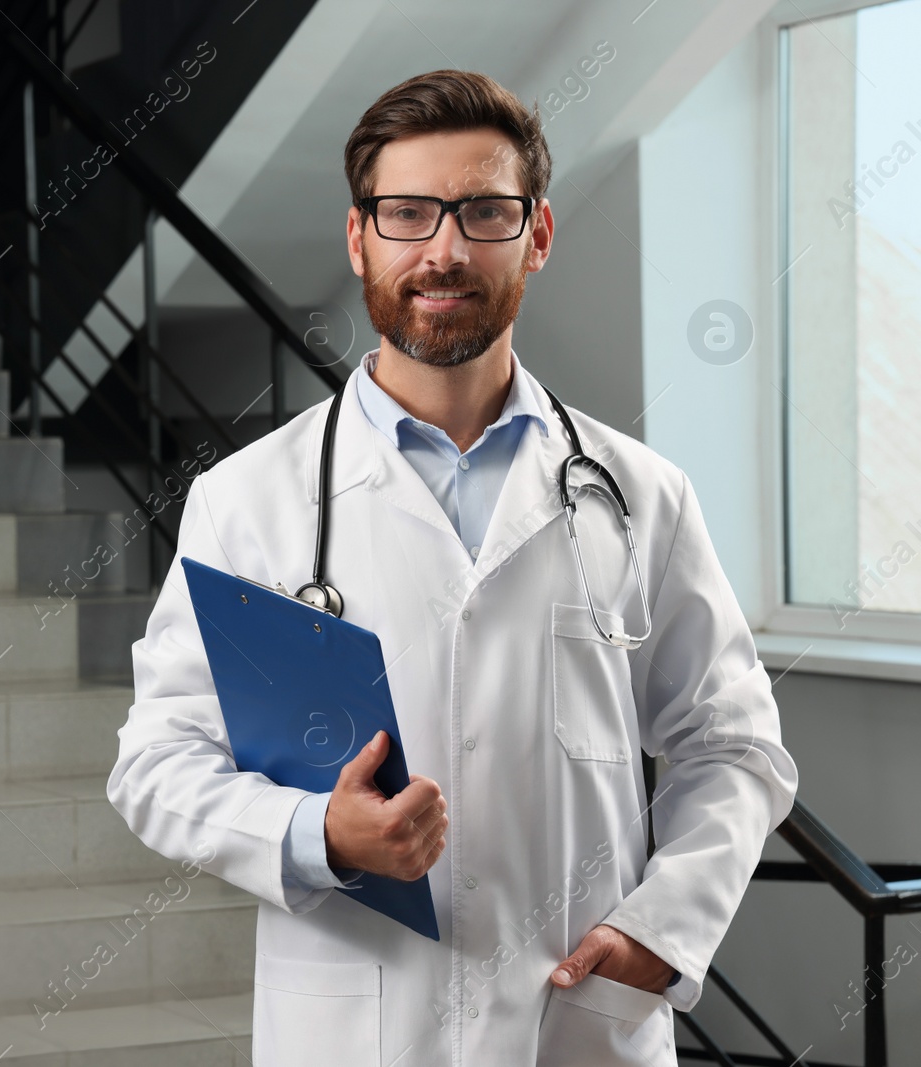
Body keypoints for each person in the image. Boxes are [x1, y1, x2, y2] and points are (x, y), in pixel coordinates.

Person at [106, 68, 798, 1065]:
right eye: (406, 213)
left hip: (576, 1020)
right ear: (359, 239)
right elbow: (155, 762)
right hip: (354, 1027)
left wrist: (664, 928)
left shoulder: (642, 493)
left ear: (538, 235)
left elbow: (732, 746)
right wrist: (319, 833)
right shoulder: (247, 500)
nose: (444, 248)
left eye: (483, 212)